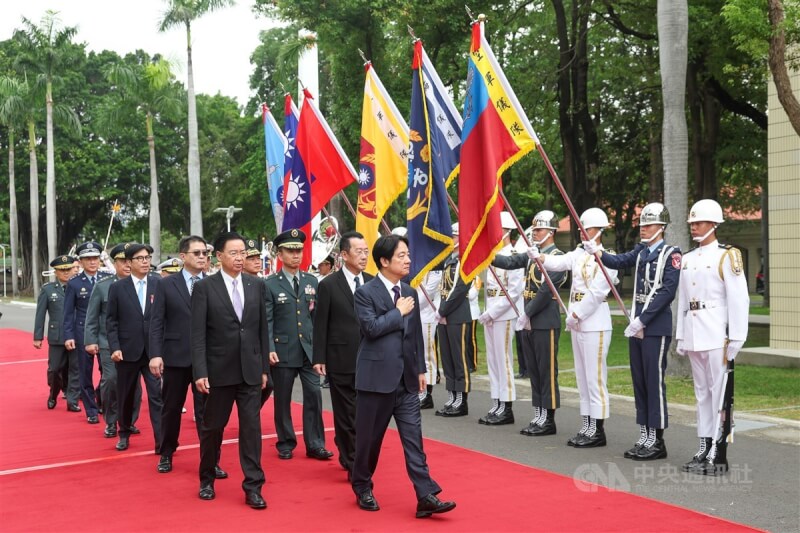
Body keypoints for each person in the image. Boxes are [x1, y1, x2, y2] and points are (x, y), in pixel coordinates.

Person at [351, 234, 456, 518]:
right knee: (369, 441)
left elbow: (415, 337)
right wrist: (397, 312)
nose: (408, 260)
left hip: (407, 381)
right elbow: (370, 329)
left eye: (408, 254)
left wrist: (421, 368)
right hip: (375, 380)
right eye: (401, 255)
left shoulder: (409, 291)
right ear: (384, 261)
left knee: (413, 440)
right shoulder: (365, 292)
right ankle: (361, 484)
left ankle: (426, 494)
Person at [584, 202, 680, 460]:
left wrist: (643, 320)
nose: (643, 229)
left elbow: (667, 292)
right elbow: (619, 260)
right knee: (639, 382)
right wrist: (599, 253)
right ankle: (645, 434)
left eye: (648, 225)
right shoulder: (641, 251)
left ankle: (657, 440)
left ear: (661, 227)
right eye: (642, 225)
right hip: (636, 326)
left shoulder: (671, 254)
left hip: (655, 327)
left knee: (653, 382)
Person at [191, 232, 270, 508]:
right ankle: (206, 478)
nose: (240, 258)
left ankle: (253, 486)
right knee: (213, 428)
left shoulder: (256, 285)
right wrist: (200, 371)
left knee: (251, 429)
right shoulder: (205, 288)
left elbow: (261, 330)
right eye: (234, 253)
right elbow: (198, 334)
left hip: (249, 371)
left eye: (243, 253)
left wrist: (263, 369)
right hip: (218, 372)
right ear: (219, 256)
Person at [529, 208, 618, 447]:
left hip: (595, 322)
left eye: (585, 229)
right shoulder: (579, 253)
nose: (581, 232)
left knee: (595, 377)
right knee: (582, 377)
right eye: (579, 228)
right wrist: (540, 257)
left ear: (598, 231)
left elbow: (598, 292)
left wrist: (576, 313)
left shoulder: (608, 257)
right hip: (578, 322)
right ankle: (587, 424)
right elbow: (559, 263)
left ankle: (598, 429)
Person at [675, 199, 748, 476]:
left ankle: (719, 451)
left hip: (718, 335)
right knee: (702, 395)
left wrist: (737, 337)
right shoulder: (689, 258)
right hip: (695, 333)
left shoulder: (727, 256)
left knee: (720, 396)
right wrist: (682, 336)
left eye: (700, 222)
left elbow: (739, 299)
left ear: (714, 224)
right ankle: (704, 445)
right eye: (692, 222)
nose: (694, 226)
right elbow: (683, 300)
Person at [149, 235, 227, 479]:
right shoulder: (166, 284)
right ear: (183, 256)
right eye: (197, 253)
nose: (202, 257)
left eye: (205, 253)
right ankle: (166, 452)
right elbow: (156, 322)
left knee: (209, 414)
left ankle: (211, 460)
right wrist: (155, 354)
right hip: (175, 357)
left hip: (208, 359)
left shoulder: (215, 283)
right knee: (171, 409)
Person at [493, 211, 566, 436]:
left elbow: (547, 291)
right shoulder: (531, 254)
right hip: (529, 320)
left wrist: (528, 313)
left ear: (551, 232)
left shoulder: (557, 256)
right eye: (533, 230)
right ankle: (539, 413)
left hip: (544, 320)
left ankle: (549, 418)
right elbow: (509, 261)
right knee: (534, 370)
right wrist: (486, 256)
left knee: (546, 371)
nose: (535, 233)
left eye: (540, 230)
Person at [265, 229, 332, 461]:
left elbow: (317, 320)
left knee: (314, 394)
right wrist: (269, 348)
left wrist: (321, 350)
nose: (295, 255)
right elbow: (268, 320)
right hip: (282, 349)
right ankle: (285, 441)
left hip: (309, 350)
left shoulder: (312, 281)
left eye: (298, 251)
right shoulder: (271, 284)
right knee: (282, 398)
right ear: (280, 254)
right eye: (290, 251)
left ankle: (315, 443)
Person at [313, 231, 373, 477]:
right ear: (344, 255)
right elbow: (320, 323)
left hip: (370, 359)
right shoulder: (328, 284)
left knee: (366, 412)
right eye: (359, 251)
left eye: (366, 251)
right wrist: (319, 357)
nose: (363, 256)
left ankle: (359, 453)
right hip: (340, 358)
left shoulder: (372, 281)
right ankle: (352, 461)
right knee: (346, 413)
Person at [106, 243, 164, 453]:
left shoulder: (159, 284)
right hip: (127, 351)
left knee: (157, 396)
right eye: (140, 258)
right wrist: (115, 347)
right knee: (126, 394)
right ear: (129, 263)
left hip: (153, 352)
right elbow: (111, 321)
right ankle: (123, 433)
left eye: (148, 257)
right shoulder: (118, 288)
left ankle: (161, 440)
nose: (145, 261)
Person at [84, 243, 143, 439]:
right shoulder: (103, 286)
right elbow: (92, 317)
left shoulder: (143, 285)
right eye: (122, 261)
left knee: (134, 385)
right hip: (108, 343)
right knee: (110, 381)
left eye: (129, 261)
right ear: (114, 263)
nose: (127, 265)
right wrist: (90, 341)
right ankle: (111, 422)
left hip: (135, 344)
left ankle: (129, 421)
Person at [477, 212, 524, 425]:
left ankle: (506, 405)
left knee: (503, 359)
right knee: (493, 360)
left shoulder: (514, 255)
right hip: (491, 313)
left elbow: (514, 292)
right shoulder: (492, 256)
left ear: (505, 231)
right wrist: (486, 311)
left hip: (504, 314)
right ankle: (496, 401)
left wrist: (492, 312)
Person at [63, 241, 111, 423]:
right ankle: (91, 409)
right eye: (88, 259)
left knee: (107, 373)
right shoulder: (74, 283)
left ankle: (101, 400)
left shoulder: (107, 279)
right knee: (85, 372)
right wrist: (68, 335)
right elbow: (67, 313)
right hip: (82, 332)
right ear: (81, 262)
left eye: (95, 258)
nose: (92, 262)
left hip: (104, 332)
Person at [435, 223, 473, 417]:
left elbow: (459, 290)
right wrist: (441, 311)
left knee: (459, 359)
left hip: (457, 314)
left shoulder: (464, 259)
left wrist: (443, 310)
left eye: (454, 236)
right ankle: (452, 395)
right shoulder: (449, 259)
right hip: (445, 315)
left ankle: (462, 400)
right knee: (447, 358)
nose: (451, 239)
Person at [34, 255, 79, 410]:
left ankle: (72, 400)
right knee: (54, 369)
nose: (66, 273)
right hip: (57, 336)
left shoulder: (80, 286)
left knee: (75, 369)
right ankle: (53, 393)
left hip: (76, 335)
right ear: (56, 272)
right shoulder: (48, 289)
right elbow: (40, 314)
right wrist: (37, 337)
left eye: (68, 269)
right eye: (62, 270)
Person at [417, 270, 442, 409]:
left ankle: (427, 393)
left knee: (427, 354)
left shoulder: (436, 269)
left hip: (428, 313)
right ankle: (420, 389)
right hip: (417, 313)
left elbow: (429, 291)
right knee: (418, 354)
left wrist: (411, 304)